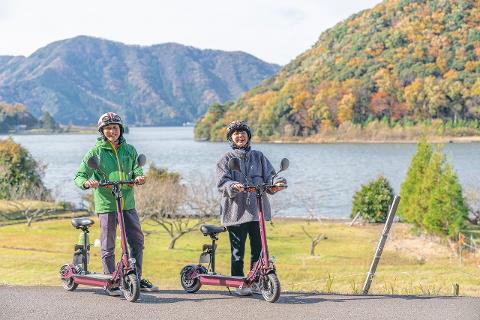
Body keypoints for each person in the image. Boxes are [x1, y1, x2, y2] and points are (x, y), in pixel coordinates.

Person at [74, 112, 157, 295]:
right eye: (108, 128)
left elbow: (136, 168)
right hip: (106, 203)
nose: (112, 131)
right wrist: (87, 183)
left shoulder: (130, 150)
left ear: (121, 129)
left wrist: (138, 176)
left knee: (136, 241)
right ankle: (110, 280)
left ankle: (134, 276)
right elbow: (79, 175)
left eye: (115, 127)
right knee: (108, 243)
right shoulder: (95, 152)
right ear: (102, 131)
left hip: (127, 202)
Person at [216, 120, 286, 296]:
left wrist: (275, 184)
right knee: (237, 251)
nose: (240, 135)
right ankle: (239, 283)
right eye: (236, 133)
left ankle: (255, 281)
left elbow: (269, 177)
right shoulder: (225, 159)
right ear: (231, 138)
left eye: (243, 132)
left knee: (258, 249)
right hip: (236, 212)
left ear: (248, 136)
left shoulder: (259, 156)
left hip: (257, 211)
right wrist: (233, 185)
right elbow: (222, 182)